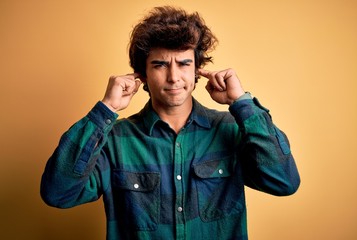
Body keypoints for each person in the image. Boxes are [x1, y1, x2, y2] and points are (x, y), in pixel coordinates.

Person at [40, 6, 300, 240]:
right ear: (142, 74)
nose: (174, 77)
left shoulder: (230, 129)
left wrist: (242, 103)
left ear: (197, 70)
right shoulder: (115, 139)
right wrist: (105, 110)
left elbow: (284, 182)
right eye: (160, 65)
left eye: (184, 63)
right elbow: (58, 193)